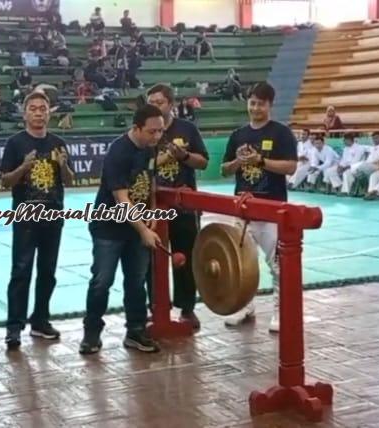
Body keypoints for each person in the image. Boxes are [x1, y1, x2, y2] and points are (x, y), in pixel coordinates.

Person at [79, 104, 166, 355]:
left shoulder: (150, 149)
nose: (157, 136)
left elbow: (150, 182)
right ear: (136, 128)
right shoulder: (118, 152)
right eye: (152, 132)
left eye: (160, 131)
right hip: (108, 228)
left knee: (136, 281)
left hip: (135, 225)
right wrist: (144, 231)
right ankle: (92, 333)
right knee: (102, 281)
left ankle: (136, 330)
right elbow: (122, 199)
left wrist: (152, 213)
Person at [220, 82, 298, 333]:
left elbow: (290, 167)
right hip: (243, 209)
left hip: (272, 208)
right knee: (241, 263)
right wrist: (238, 162)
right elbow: (224, 170)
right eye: (252, 102)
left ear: (270, 105)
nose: (255, 108)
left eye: (260, 104)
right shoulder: (238, 135)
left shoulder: (281, 133)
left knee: (277, 264)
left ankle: (280, 310)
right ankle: (245, 305)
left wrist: (261, 160)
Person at [0, 91, 74, 350]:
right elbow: (4, 180)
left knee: (48, 271)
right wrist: (23, 167)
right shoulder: (15, 143)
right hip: (26, 216)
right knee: (21, 270)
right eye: (34, 108)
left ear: (49, 112)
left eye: (43, 108)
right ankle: (14, 327)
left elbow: (69, 181)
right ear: (25, 113)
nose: (39, 113)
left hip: (53, 215)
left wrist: (63, 165)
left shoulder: (58, 143)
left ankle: (40, 321)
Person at [145, 84, 208, 329]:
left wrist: (183, 156)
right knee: (152, 259)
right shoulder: (145, 131)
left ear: (171, 104)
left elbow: (202, 162)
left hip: (183, 206)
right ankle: (157, 307)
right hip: (153, 205)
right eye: (151, 102)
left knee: (186, 257)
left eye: (159, 102)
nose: (155, 106)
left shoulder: (187, 129)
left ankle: (187, 308)